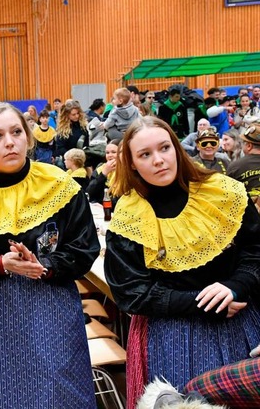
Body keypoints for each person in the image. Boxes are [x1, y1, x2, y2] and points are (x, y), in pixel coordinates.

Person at [0, 102, 99, 408]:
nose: (9, 142)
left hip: (51, 314)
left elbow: (84, 249)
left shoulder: (59, 185)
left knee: (58, 394)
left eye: (17, 132)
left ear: (29, 138)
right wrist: (0, 264)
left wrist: (44, 265)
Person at [104, 116, 260, 408]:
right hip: (170, 334)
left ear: (177, 149)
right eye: (145, 154)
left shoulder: (222, 191)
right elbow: (132, 292)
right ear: (132, 163)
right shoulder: (129, 215)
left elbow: (255, 249)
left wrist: (236, 286)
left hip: (239, 323)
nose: (158, 160)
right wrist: (202, 304)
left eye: (164, 148)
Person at [227, 124, 260, 208]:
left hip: (248, 218)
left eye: (244, 143)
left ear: (249, 146)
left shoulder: (235, 166)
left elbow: (228, 197)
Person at [54, 100, 89, 169]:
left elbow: (86, 143)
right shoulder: (62, 130)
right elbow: (60, 148)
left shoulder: (83, 126)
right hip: (69, 162)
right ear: (67, 115)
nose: (77, 116)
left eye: (78, 113)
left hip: (82, 160)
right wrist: (74, 156)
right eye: (73, 114)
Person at [87, 139, 119, 203]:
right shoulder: (100, 169)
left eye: (113, 152)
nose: (110, 155)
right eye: (107, 153)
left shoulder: (128, 171)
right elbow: (90, 192)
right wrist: (103, 174)